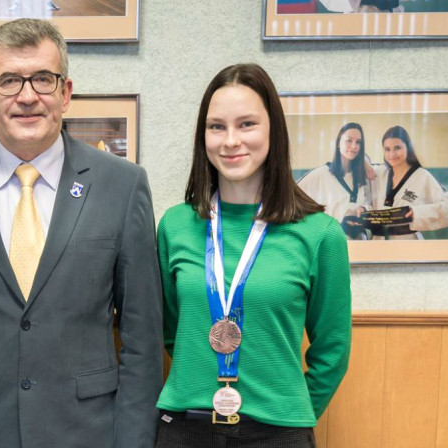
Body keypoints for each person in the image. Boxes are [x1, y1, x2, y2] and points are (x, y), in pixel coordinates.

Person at [0, 18, 163, 448]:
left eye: (43, 80)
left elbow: (142, 341)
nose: (27, 96)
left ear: (65, 93)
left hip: (88, 433)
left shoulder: (122, 186)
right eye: (9, 80)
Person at [155, 64, 351, 447]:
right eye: (217, 127)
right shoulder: (175, 226)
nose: (231, 141)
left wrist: (289, 414)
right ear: (203, 135)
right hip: (184, 428)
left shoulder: (319, 234)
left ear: (273, 130)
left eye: (247, 124)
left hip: (276, 432)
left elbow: (333, 350)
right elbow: (170, 329)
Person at [366, 125, 448, 239]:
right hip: (377, 244)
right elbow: (357, 161)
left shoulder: (422, 176)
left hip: (408, 243)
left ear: (408, 147)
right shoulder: (378, 173)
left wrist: (417, 213)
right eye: (387, 149)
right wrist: (365, 161)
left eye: (397, 148)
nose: (392, 154)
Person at [298, 122, 373, 239]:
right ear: (338, 143)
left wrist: (364, 209)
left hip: (359, 242)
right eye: (349, 140)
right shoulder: (321, 174)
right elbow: (293, 196)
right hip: (331, 241)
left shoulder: (362, 176)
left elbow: (370, 202)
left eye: (358, 142)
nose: (354, 146)